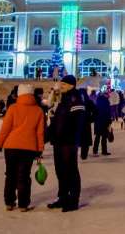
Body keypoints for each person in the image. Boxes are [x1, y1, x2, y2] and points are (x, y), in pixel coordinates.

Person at [0, 84, 45, 211]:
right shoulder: (38, 111)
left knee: (10, 174)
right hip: (29, 148)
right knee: (24, 176)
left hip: (11, 146)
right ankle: (23, 204)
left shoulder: (13, 108)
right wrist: (40, 149)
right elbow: (40, 132)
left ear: (19, 94)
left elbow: (5, 129)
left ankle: (9, 202)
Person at [46, 75, 85, 212]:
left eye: (63, 84)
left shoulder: (76, 99)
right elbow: (58, 121)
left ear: (71, 85)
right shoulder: (64, 99)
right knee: (60, 170)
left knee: (71, 171)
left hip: (68, 142)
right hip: (59, 141)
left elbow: (78, 123)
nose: (60, 87)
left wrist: (74, 139)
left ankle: (73, 200)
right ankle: (62, 197)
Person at [93, 91, 113, 155]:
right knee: (104, 137)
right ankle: (104, 151)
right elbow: (108, 112)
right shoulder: (106, 102)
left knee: (97, 137)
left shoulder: (97, 102)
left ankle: (95, 151)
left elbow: (94, 113)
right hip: (105, 122)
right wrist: (109, 120)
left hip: (98, 122)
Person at [78, 89, 96, 160]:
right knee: (84, 140)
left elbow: (95, 111)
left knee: (82, 139)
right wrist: (91, 119)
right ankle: (83, 155)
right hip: (84, 123)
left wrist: (91, 119)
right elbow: (96, 111)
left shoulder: (78, 101)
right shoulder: (88, 102)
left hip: (81, 123)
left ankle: (83, 154)